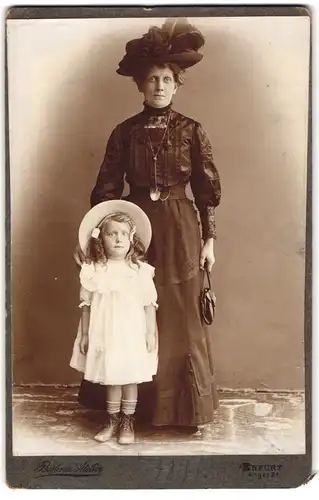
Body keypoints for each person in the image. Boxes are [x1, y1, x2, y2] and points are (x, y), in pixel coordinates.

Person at [74, 18, 222, 430]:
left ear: (177, 85)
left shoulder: (192, 131)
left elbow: (207, 190)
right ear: (140, 85)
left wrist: (210, 239)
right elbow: (105, 190)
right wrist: (95, 240)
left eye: (167, 79)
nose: (159, 86)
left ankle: (181, 412)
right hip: (132, 228)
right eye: (152, 79)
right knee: (127, 310)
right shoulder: (124, 133)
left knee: (178, 316)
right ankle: (126, 412)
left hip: (180, 228)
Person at [70, 200, 158, 444]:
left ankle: (128, 423)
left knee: (129, 375)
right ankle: (112, 420)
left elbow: (149, 304)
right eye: (111, 234)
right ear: (101, 239)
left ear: (131, 238)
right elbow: (86, 306)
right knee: (111, 374)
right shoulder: (95, 270)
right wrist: (86, 335)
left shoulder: (140, 271)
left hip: (131, 332)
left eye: (123, 234)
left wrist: (150, 334)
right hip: (104, 331)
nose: (118, 239)